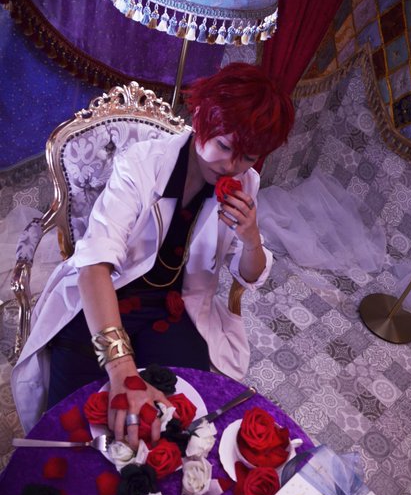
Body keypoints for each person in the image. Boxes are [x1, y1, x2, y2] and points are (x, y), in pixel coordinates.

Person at [11, 63, 294, 446]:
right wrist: (122, 369)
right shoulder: (142, 165)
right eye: (225, 146)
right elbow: (93, 265)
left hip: (175, 310)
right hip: (105, 298)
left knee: (177, 430)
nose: (231, 165)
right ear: (200, 115)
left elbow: (249, 274)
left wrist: (251, 239)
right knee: (73, 431)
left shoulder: (246, 183)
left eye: (248, 156)